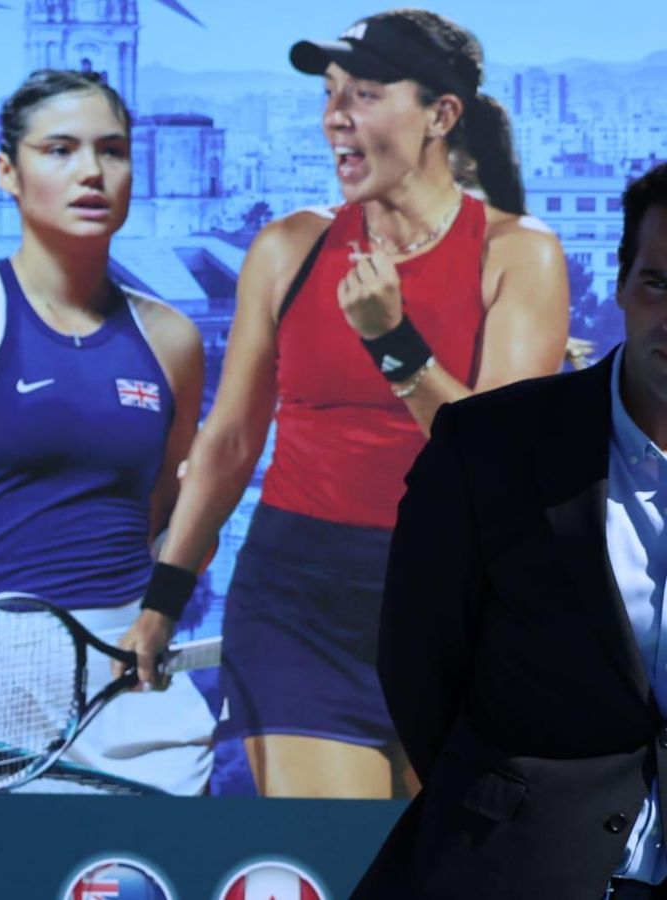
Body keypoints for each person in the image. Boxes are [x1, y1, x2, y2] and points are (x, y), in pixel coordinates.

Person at [120, 8, 570, 799]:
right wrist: (163, 601)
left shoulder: (519, 255)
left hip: (462, 605)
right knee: (337, 862)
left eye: (363, 93)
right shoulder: (286, 248)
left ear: (441, 114)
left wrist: (395, 345)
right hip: (301, 600)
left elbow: (498, 463)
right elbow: (228, 446)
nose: (335, 116)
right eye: (330, 94)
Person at [0, 69, 215, 795]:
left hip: (129, 675)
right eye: (60, 149)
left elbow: (165, 517)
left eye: (112, 151)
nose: (92, 171)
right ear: (7, 172)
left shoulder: (173, 339)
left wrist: (148, 622)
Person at [353, 163, 667, 898]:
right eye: (660, 284)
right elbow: (418, 663)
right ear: (621, 287)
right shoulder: (488, 444)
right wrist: (510, 805)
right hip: (516, 867)